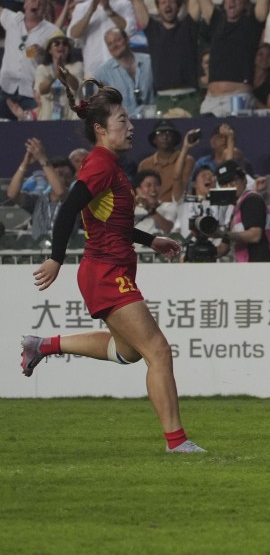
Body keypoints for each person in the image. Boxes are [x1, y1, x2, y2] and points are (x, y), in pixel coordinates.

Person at [23, 77, 205, 454]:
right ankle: (177, 442)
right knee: (158, 350)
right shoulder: (100, 164)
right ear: (101, 129)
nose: (131, 126)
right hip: (105, 271)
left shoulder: (110, 165)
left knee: (129, 352)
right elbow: (69, 209)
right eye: (123, 120)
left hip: (111, 268)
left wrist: (150, 240)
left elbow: (111, 222)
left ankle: (43, 345)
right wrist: (56, 257)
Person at [181, 0, 270, 116]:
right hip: (211, 100)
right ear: (224, 3)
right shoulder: (216, 20)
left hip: (238, 99)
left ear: (245, 4)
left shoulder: (252, 23)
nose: (232, 0)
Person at [112, 0, 200, 116]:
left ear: (178, 6)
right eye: (163, 2)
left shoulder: (188, 26)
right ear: (157, 8)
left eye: (171, 1)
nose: (167, 5)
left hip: (190, 97)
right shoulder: (152, 29)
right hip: (163, 99)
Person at [0, 0, 59, 120]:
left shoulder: (52, 31)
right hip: (5, 88)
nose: (36, 4)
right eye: (33, 0)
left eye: (41, 3)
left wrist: (43, 52)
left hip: (31, 92)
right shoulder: (13, 19)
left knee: (32, 128)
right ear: (25, 4)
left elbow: (60, 57)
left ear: (45, 10)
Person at [6, 138, 75, 240]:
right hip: (38, 249)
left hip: (69, 248)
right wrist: (25, 164)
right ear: (47, 178)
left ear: (73, 179)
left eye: (68, 176)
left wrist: (42, 158)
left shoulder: (75, 199)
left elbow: (60, 192)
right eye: (59, 174)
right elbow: (12, 194)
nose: (63, 179)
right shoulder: (38, 201)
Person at [215, 159, 270, 262]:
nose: (229, 187)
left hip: (261, 265)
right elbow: (224, 248)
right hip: (246, 266)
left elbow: (255, 235)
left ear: (244, 179)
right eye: (224, 184)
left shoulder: (252, 199)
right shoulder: (232, 208)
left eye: (232, 181)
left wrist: (222, 234)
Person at [94, 28, 155, 117]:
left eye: (117, 40)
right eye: (110, 44)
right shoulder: (102, 73)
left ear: (127, 39)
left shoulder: (149, 62)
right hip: (122, 122)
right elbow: (100, 106)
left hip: (152, 119)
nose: (114, 46)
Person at [138, 119, 193, 204]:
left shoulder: (186, 160)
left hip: (177, 206)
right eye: (159, 133)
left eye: (168, 133)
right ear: (154, 139)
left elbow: (184, 188)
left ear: (174, 138)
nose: (164, 137)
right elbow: (140, 191)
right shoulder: (144, 164)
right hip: (150, 206)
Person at [34, 32, 83, 120]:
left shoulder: (77, 66)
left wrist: (66, 73)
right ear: (50, 50)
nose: (61, 46)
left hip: (71, 119)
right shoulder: (42, 69)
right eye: (57, 43)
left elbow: (76, 86)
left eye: (65, 44)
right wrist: (54, 75)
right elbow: (41, 90)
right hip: (48, 119)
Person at [132, 169, 177, 236]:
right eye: (148, 185)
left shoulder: (169, 207)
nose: (153, 189)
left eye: (157, 185)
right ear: (138, 190)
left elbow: (169, 229)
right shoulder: (132, 209)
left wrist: (150, 209)